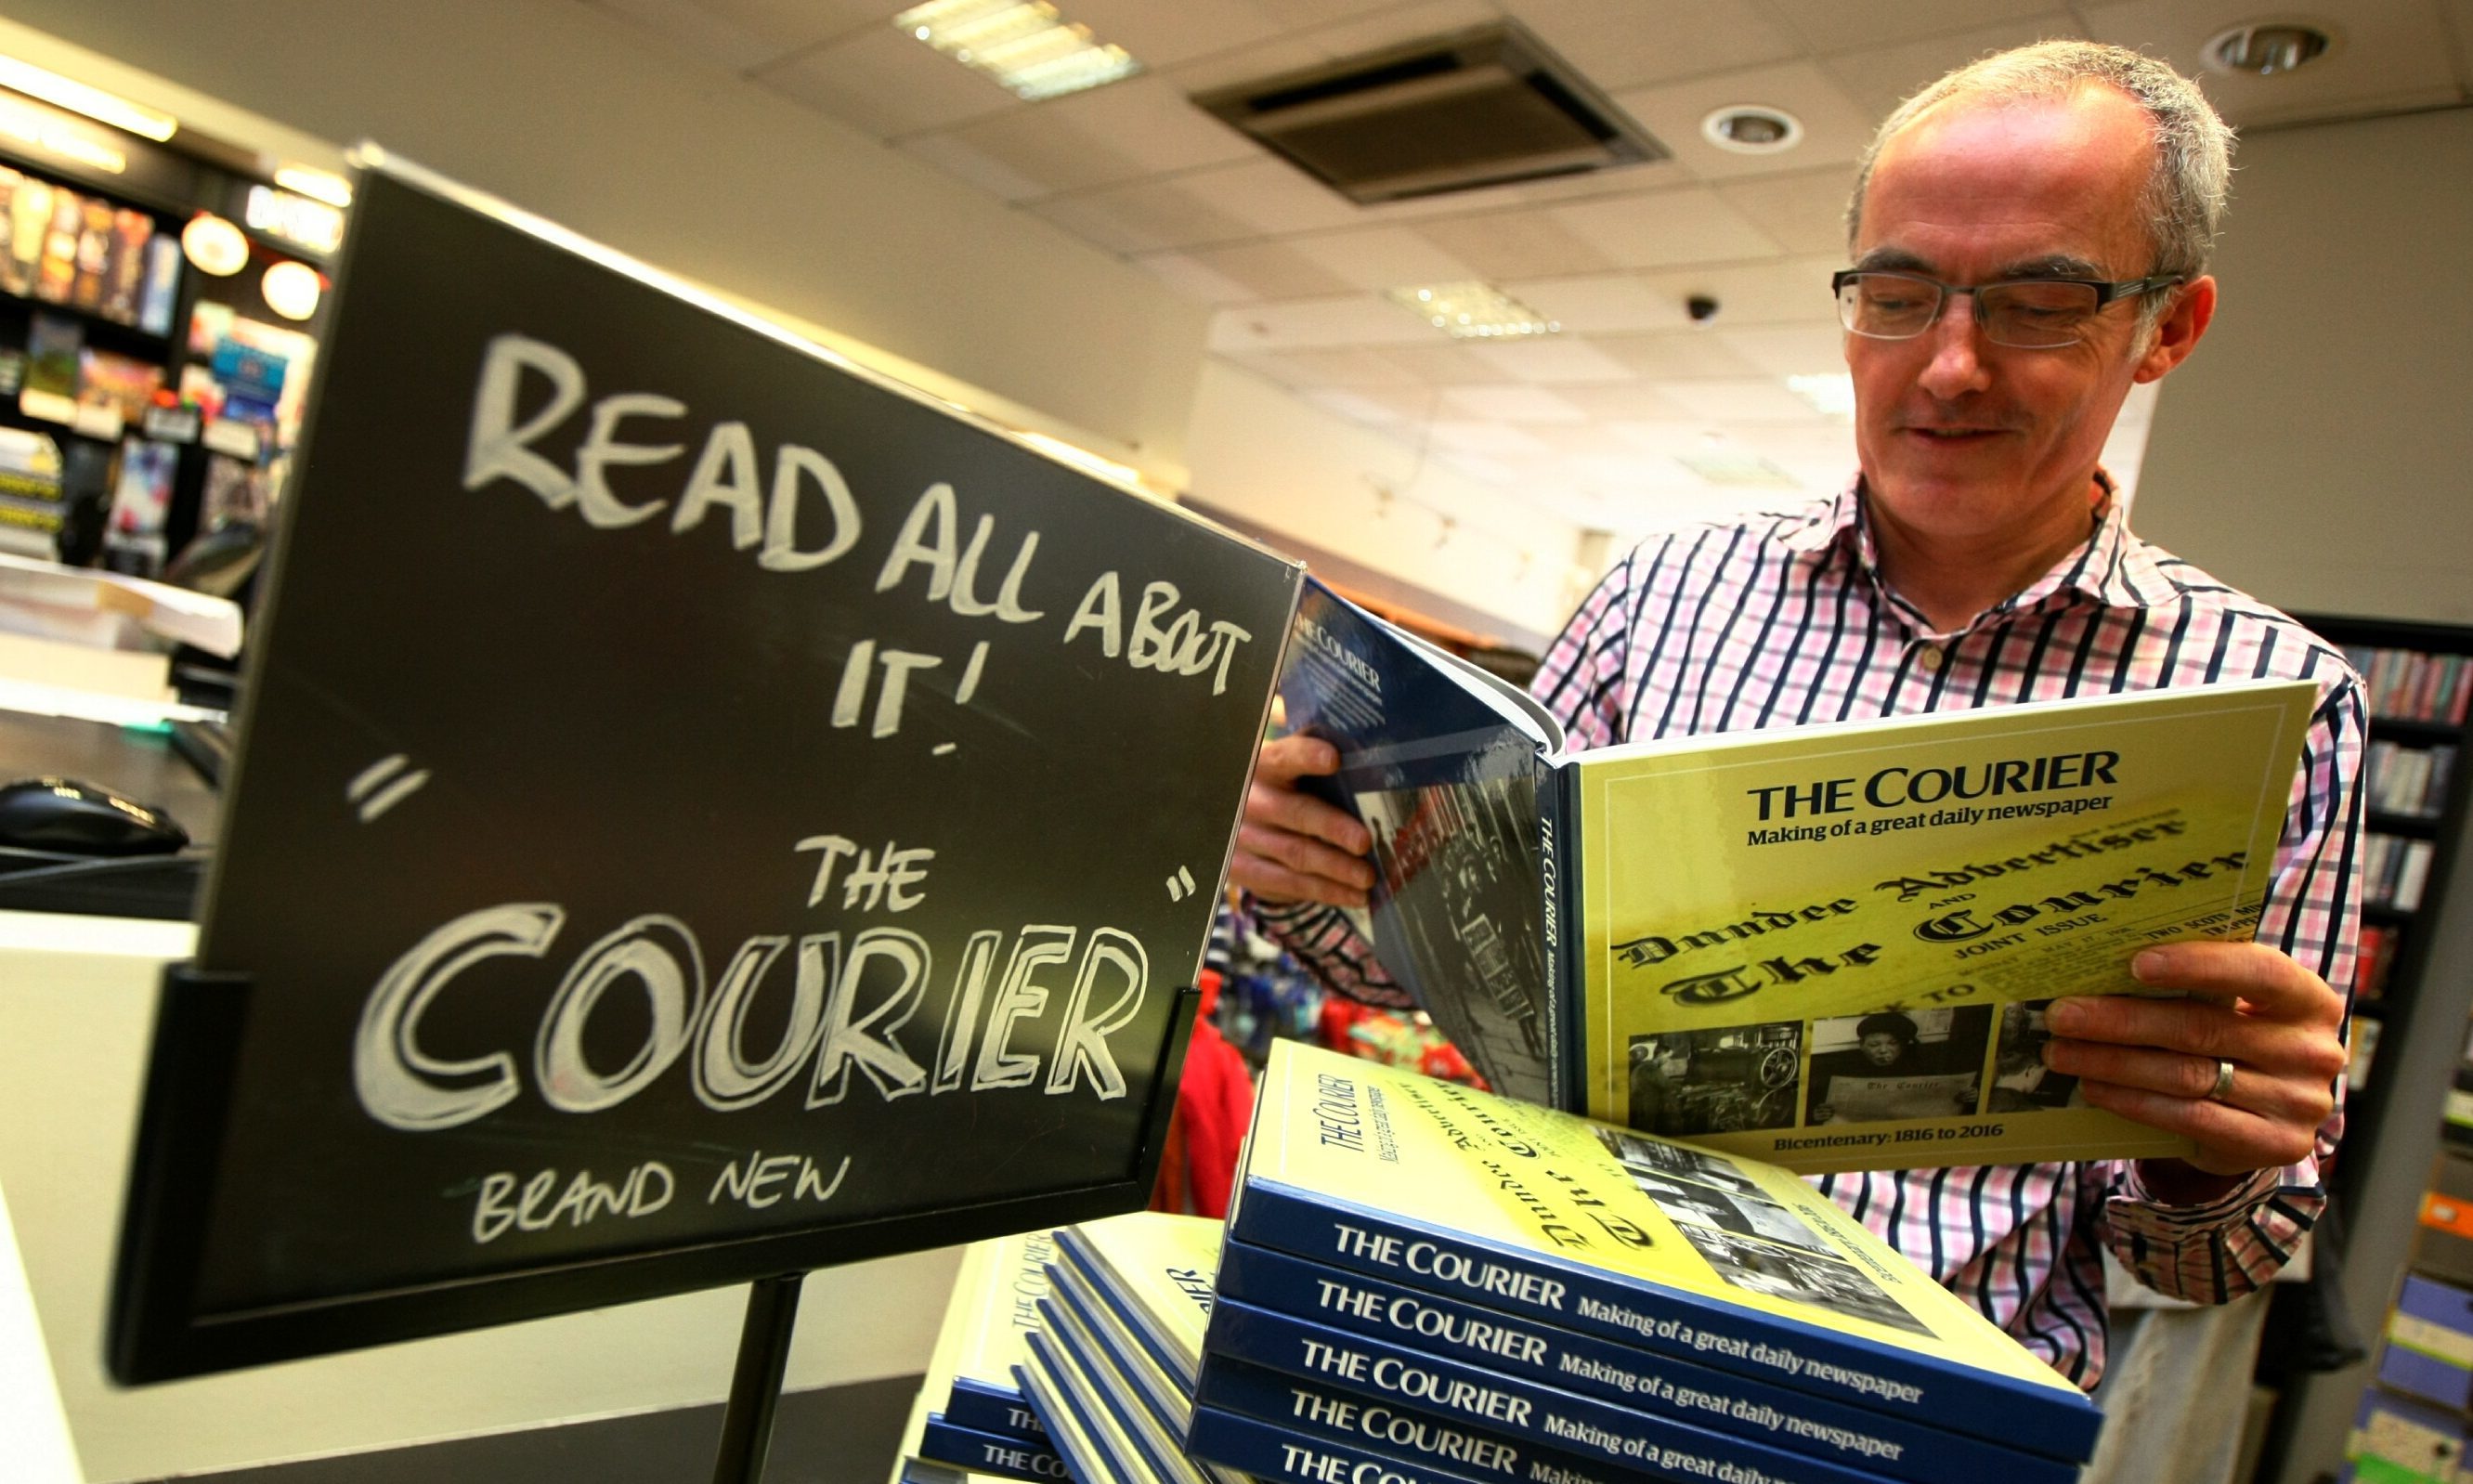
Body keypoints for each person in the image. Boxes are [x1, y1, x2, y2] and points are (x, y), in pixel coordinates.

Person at [1229, 40, 2361, 1390]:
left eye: (2039, 301)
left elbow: (2201, 1264)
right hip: (1554, 1345)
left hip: (1910, 1421)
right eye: (1897, 294)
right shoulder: (1665, 592)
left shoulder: (2274, 704)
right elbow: (1449, 984)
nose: (1947, 366)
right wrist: (1304, 868)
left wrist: (2211, 1145)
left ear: (2167, 326)